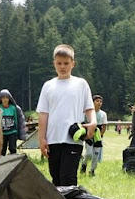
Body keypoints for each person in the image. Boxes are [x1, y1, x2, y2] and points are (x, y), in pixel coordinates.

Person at [37, 44, 96, 186]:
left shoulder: (81, 84)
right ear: (54, 64)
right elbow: (43, 114)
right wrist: (42, 138)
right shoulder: (48, 86)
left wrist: (93, 122)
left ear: (73, 64)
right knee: (56, 179)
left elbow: (89, 108)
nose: (62, 67)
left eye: (66, 63)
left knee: (68, 179)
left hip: (72, 139)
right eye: (59, 63)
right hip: (53, 140)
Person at [80, 94, 108, 176]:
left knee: (96, 154)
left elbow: (104, 126)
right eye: (97, 101)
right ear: (92, 102)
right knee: (89, 154)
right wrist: (87, 135)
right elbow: (83, 124)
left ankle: (92, 170)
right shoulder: (87, 113)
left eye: (100, 102)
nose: (99, 103)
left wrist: (100, 135)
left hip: (98, 136)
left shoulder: (103, 114)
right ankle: (84, 164)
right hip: (89, 135)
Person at [0, 89, 26, 156]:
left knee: (12, 148)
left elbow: (17, 119)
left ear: (9, 98)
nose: (5, 99)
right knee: (2, 150)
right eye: (3, 97)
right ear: (0, 99)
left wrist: (19, 132)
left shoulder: (14, 108)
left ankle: (13, 164)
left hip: (12, 132)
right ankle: (2, 165)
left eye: (6, 97)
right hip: (2, 133)